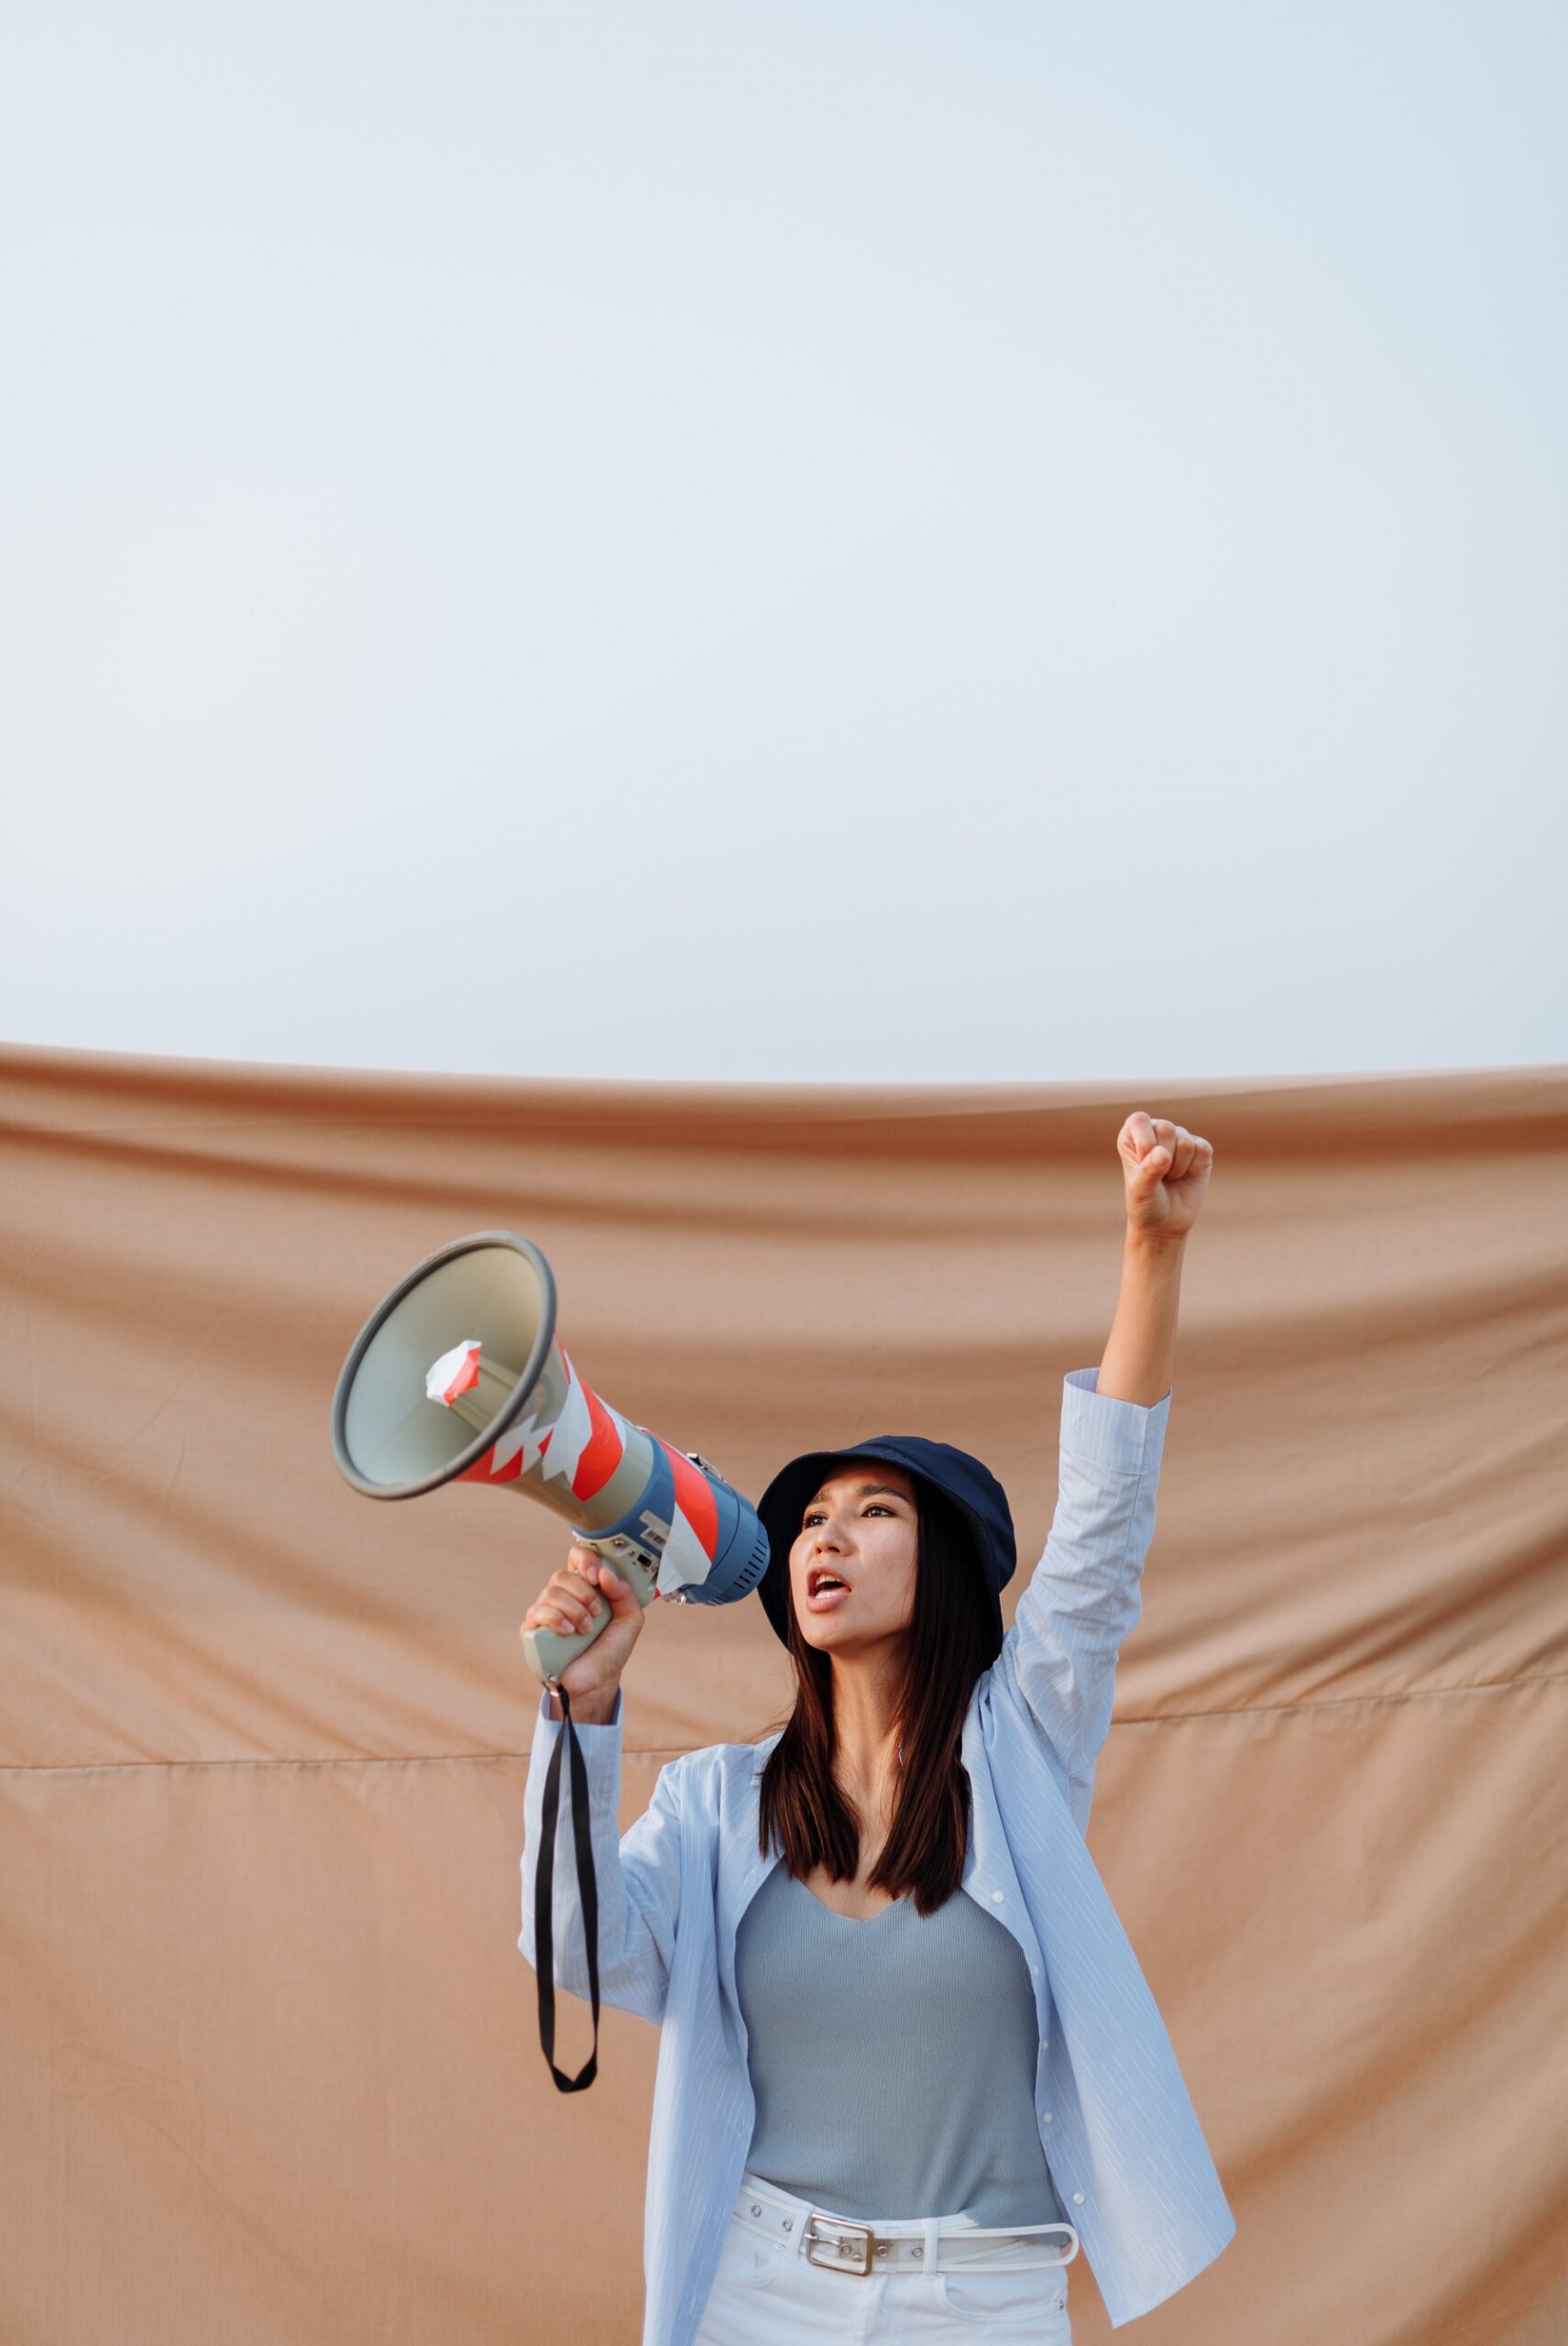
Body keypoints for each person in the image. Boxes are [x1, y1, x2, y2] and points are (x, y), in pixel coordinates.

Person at [519, 1111, 1235, 2344]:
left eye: (873, 1512)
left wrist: (1150, 1250)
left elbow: (1106, 1526)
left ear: (946, 1566)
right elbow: (582, 1955)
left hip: (987, 2300)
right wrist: (580, 1714)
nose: (826, 1537)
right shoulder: (713, 1802)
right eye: (809, 1522)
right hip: (759, 2292)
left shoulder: (1022, 1746)